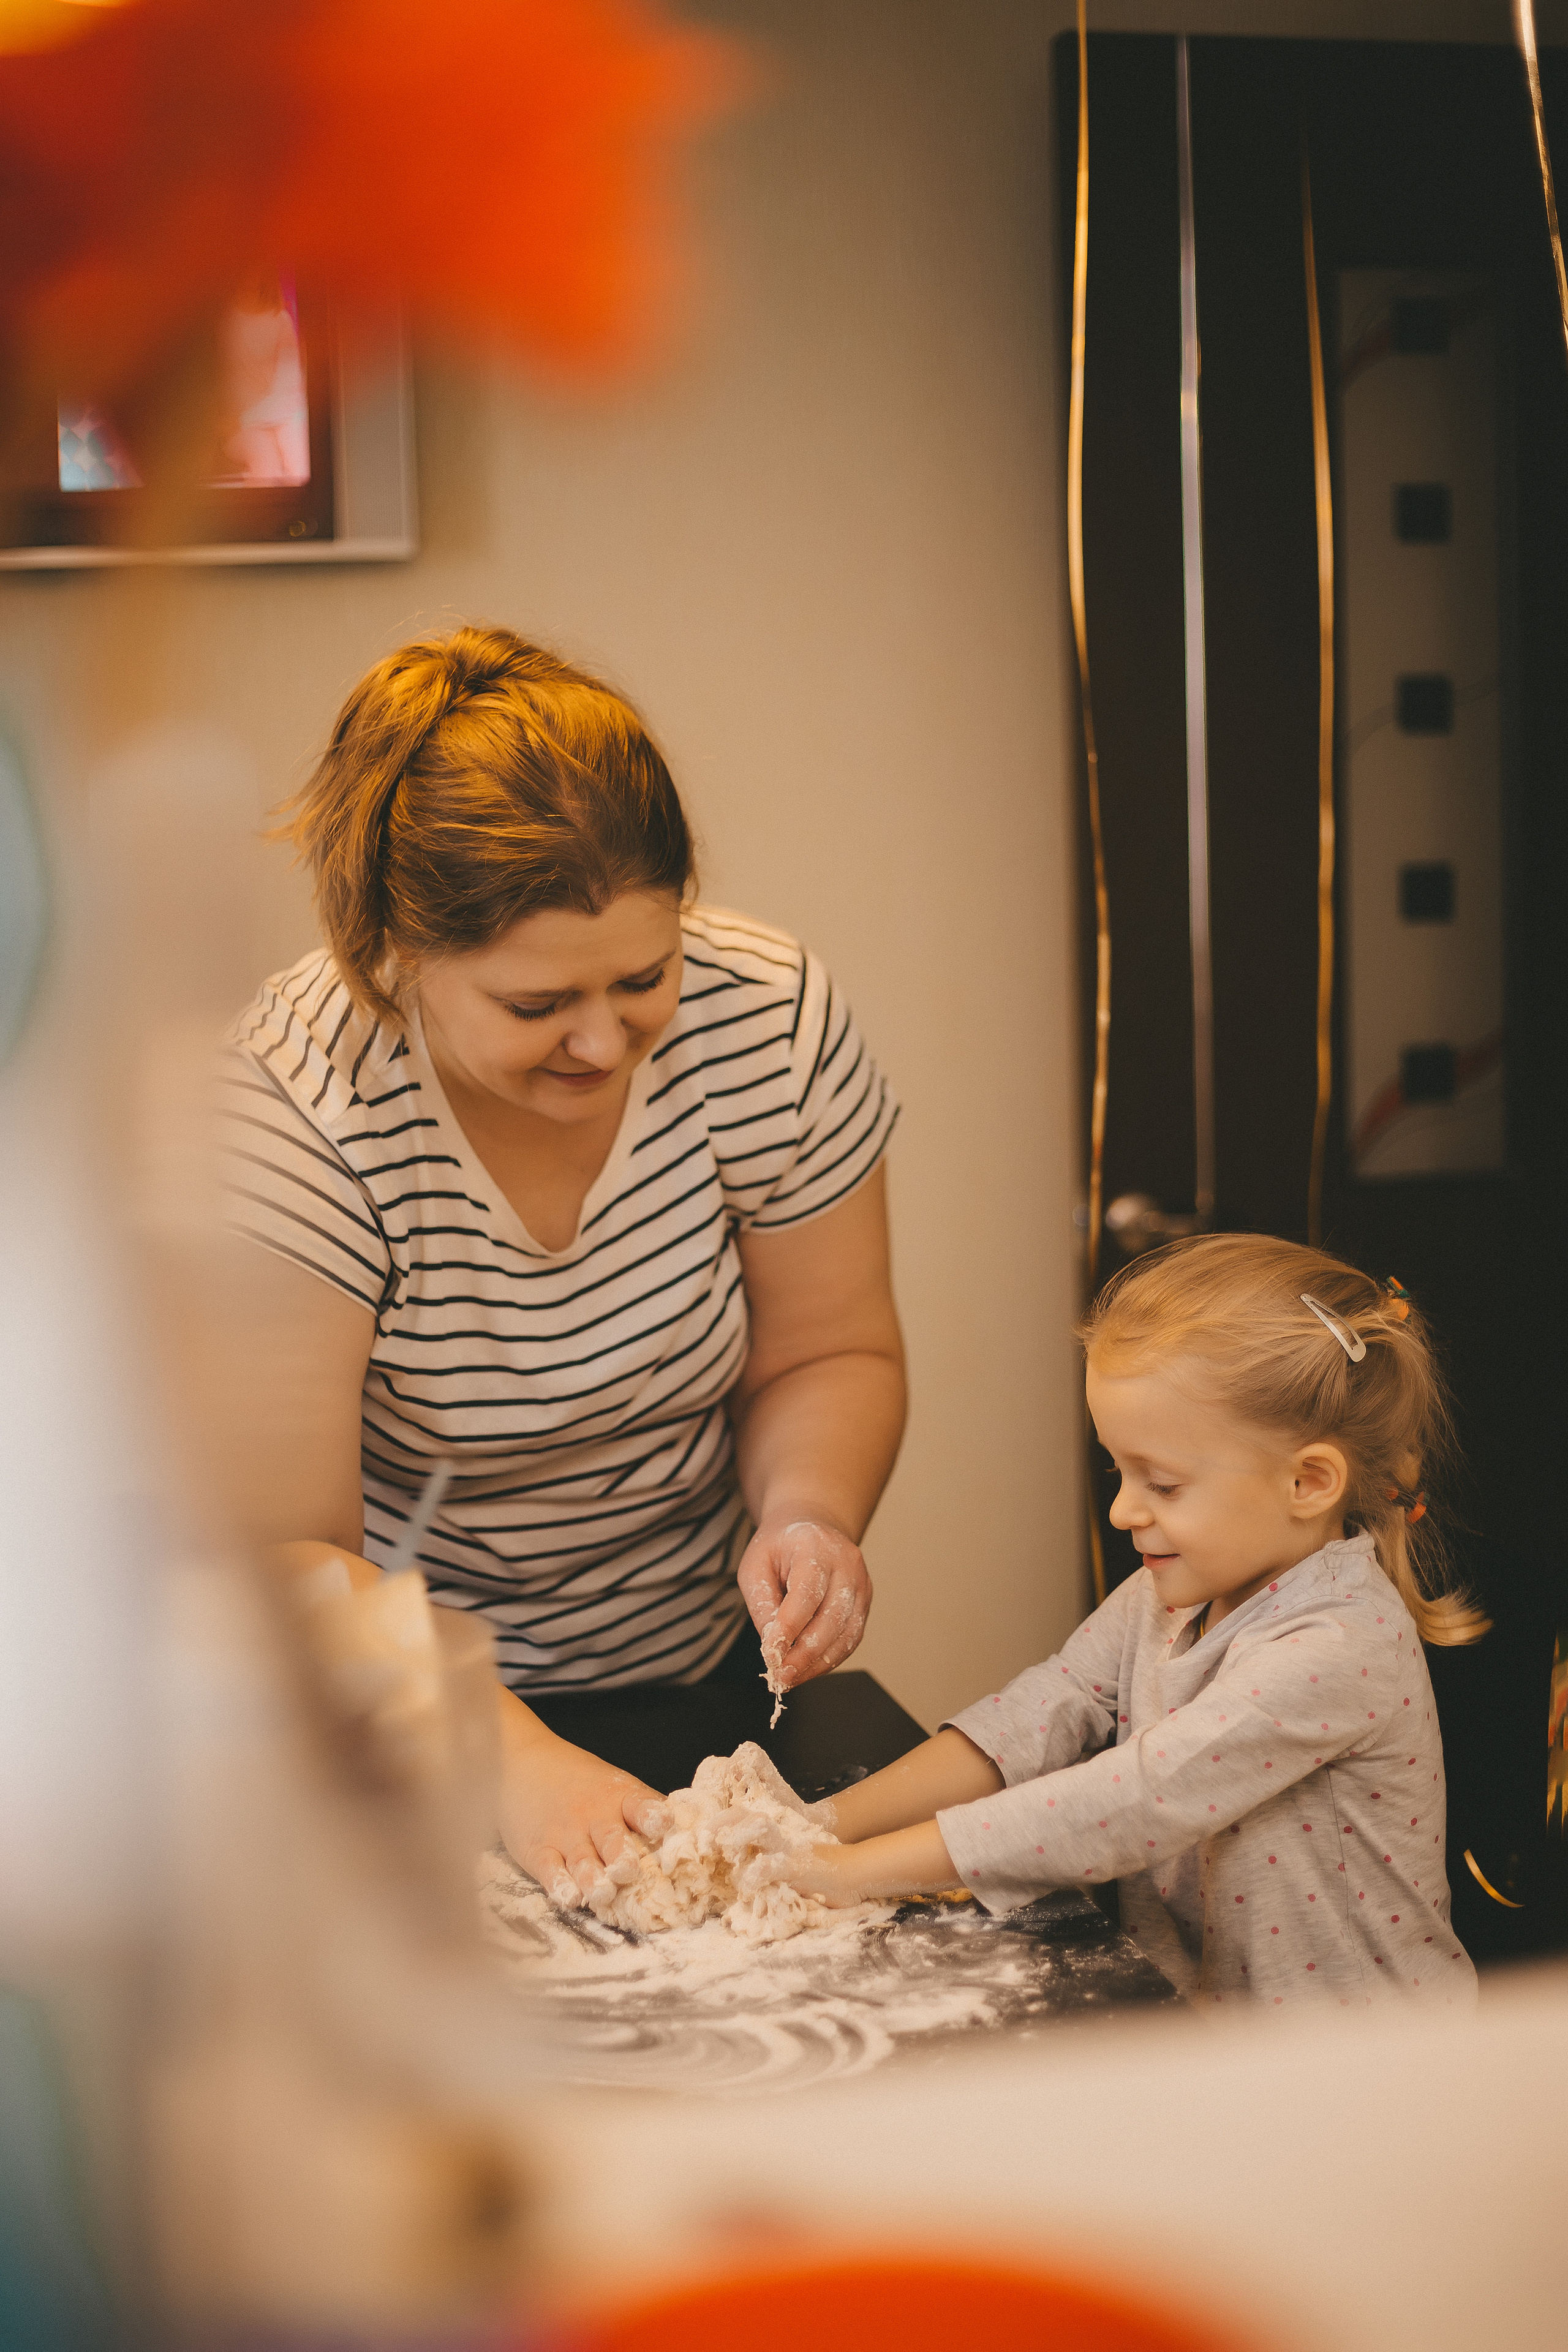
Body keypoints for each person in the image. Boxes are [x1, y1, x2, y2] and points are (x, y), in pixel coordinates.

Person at [220, 625, 905, 1907]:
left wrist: (809, 1511)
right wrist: (512, 1761)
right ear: (392, 960)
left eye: (643, 978)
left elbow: (828, 1346)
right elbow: (284, 1551)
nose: (604, 1042)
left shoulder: (766, 1021)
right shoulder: (292, 1106)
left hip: (692, 1673)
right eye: (536, 1008)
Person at [760, 1234, 1483, 2008]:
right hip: (1208, 2033)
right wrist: (818, 1826)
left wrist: (848, 1876)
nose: (1121, 1509)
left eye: (1163, 1484)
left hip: (1362, 2072)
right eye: (1118, 1469)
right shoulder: (1172, 1593)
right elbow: (1045, 1708)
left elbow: (1133, 1797)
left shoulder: (1339, 1647)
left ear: (1307, 1481)